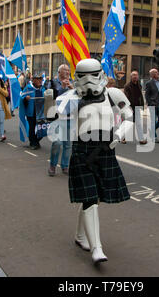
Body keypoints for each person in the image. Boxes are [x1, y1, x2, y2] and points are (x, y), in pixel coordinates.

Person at [59, 58, 133, 264]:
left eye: (93, 74)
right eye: (83, 76)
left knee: (94, 196)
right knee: (90, 198)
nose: (89, 80)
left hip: (105, 150)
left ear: (100, 74)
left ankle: (81, 235)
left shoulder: (113, 94)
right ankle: (96, 248)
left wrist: (119, 135)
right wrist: (52, 99)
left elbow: (128, 115)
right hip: (82, 150)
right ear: (76, 77)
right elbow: (54, 116)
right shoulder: (72, 97)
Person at [48, 64, 73, 176]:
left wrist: (72, 88)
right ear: (59, 72)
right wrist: (62, 88)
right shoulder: (53, 82)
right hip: (57, 117)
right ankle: (52, 165)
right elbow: (50, 97)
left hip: (69, 117)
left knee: (68, 144)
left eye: (68, 70)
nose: (67, 72)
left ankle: (65, 166)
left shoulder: (72, 82)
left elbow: (79, 96)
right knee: (57, 142)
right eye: (65, 70)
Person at [23, 75, 46, 149]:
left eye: (41, 79)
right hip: (31, 112)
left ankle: (36, 141)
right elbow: (21, 97)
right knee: (32, 128)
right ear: (33, 80)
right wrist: (25, 98)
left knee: (41, 128)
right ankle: (33, 143)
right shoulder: (28, 88)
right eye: (38, 79)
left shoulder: (43, 89)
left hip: (41, 112)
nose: (40, 81)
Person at [124, 70, 146, 145]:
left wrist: (142, 105)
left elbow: (140, 96)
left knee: (139, 123)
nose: (135, 76)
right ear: (131, 77)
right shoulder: (127, 86)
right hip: (130, 107)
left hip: (137, 107)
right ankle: (123, 137)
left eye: (136, 75)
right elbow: (126, 98)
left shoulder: (139, 85)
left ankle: (141, 139)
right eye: (133, 75)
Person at [145, 68, 159, 143]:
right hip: (153, 104)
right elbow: (147, 95)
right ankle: (154, 137)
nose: (158, 73)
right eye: (156, 72)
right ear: (153, 75)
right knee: (153, 121)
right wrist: (150, 103)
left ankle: (151, 131)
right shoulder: (149, 83)